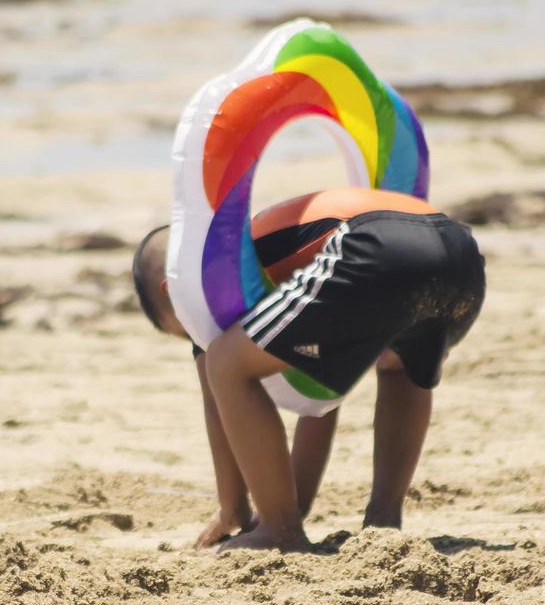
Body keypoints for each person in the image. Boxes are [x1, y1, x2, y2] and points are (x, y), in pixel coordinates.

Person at [132, 187, 485, 552]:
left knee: (225, 363)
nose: (198, 341)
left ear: (174, 289)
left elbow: (217, 395)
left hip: (374, 246)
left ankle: (278, 528)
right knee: (400, 363)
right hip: (459, 251)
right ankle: (384, 520)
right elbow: (320, 398)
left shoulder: (218, 280)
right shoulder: (280, 245)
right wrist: (293, 506)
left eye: (188, 333)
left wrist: (236, 511)